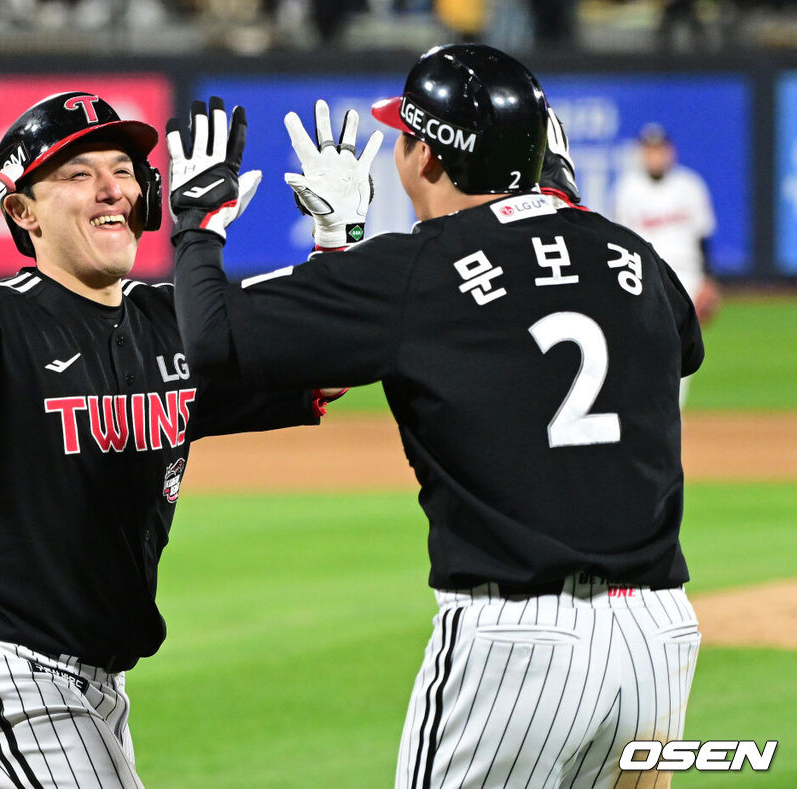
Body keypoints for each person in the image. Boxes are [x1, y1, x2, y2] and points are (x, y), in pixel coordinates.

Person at [169, 45, 704, 788]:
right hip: (657, 638)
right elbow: (684, 343)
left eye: (403, 135)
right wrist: (551, 208)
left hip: (516, 649)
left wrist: (199, 222)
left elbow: (214, 344)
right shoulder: (629, 251)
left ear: (426, 157)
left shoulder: (416, 271)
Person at [0, 92, 341, 788]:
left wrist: (336, 243)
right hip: (5, 675)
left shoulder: (171, 321)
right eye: (79, 174)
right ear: (22, 212)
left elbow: (320, 361)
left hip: (96, 686)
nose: (114, 187)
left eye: (124, 168)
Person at [613, 121, 720, 406]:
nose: (654, 155)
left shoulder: (690, 185)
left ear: (669, 151)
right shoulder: (628, 189)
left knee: (681, 351)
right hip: (647, 275)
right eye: (649, 150)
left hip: (688, 275)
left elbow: (703, 237)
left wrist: (708, 280)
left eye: (659, 150)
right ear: (640, 153)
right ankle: (659, 417)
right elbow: (620, 241)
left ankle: (671, 418)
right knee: (648, 347)